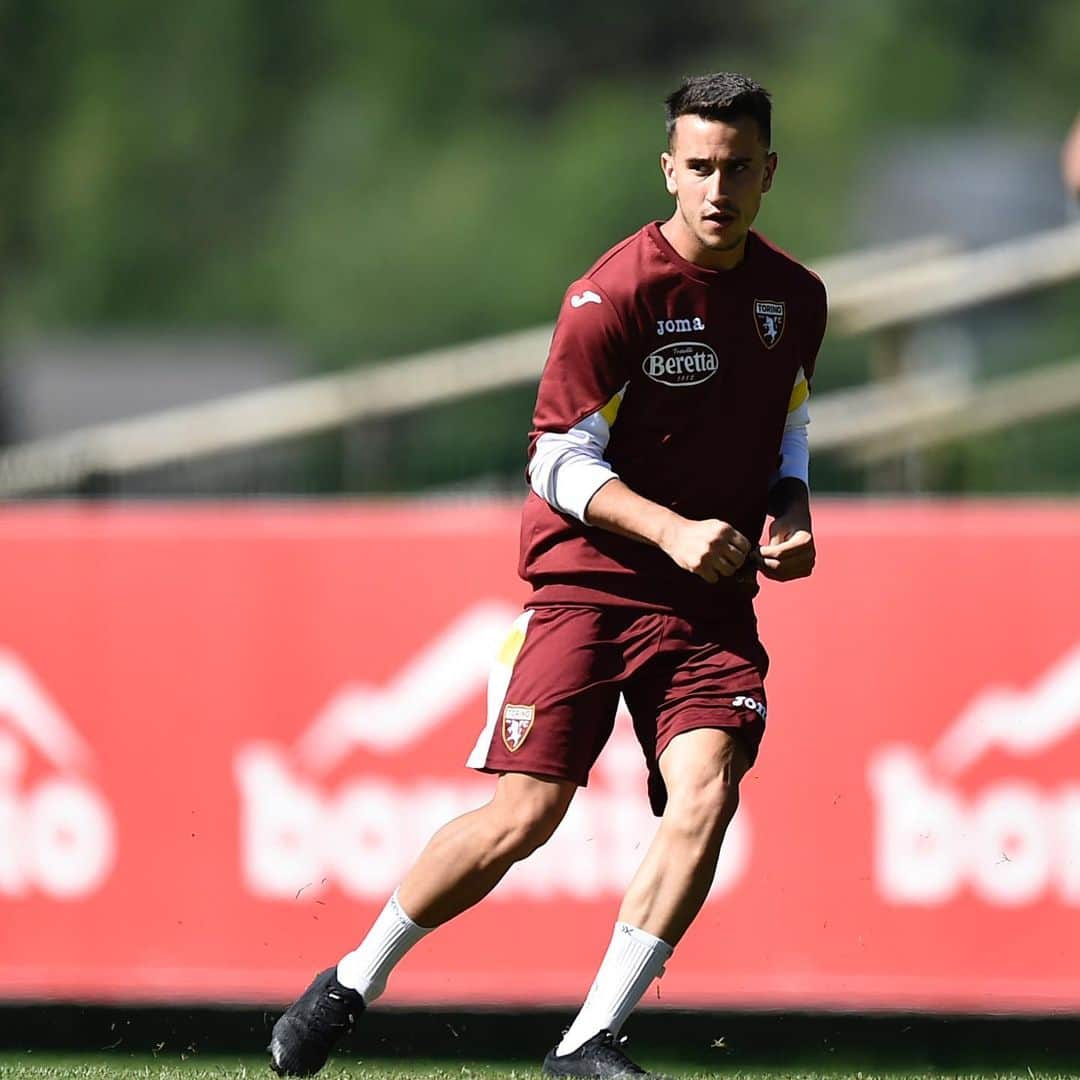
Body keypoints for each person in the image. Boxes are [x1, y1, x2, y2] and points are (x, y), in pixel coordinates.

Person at [269, 71, 827, 1079]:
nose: (717, 187)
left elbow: (786, 423)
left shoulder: (796, 298)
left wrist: (791, 512)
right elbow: (556, 460)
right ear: (669, 168)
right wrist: (673, 531)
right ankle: (353, 978)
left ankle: (589, 1039)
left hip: (706, 604)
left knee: (709, 791)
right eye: (698, 166)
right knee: (527, 814)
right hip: (590, 583)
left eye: (738, 167)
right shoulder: (612, 294)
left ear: (768, 172)